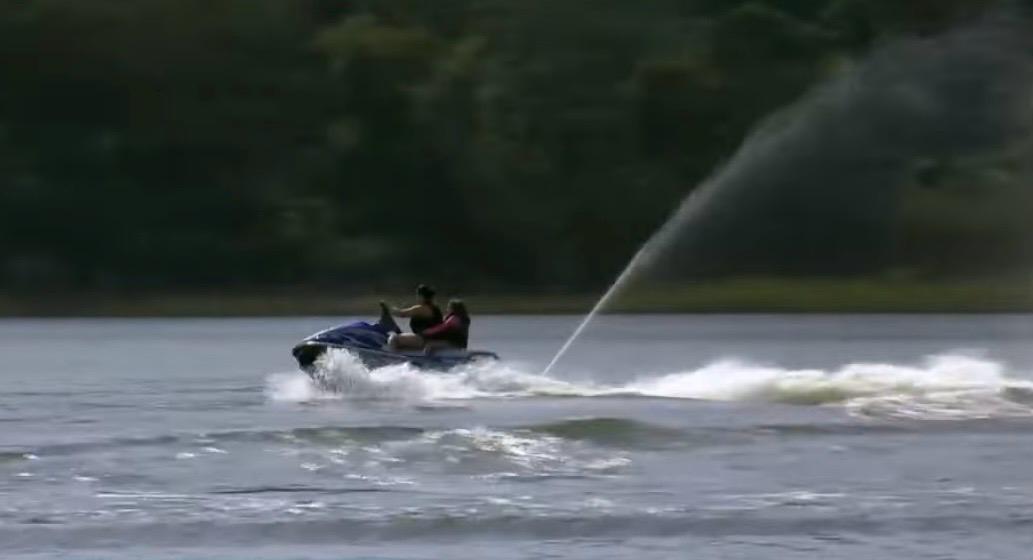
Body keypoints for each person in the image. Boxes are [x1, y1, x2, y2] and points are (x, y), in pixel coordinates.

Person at [386, 284, 443, 350]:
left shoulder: (420, 308)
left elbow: (402, 314)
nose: (417, 297)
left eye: (417, 295)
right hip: (433, 338)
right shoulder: (435, 308)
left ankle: (392, 356)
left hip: (424, 340)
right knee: (403, 334)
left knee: (394, 338)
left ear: (421, 296)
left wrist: (388, 308)